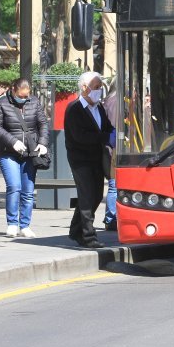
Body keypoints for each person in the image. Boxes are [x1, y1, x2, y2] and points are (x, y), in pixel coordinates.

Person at [0, 78, 49, 238]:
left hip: (30, 152)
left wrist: (43, 142)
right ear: (14, 90)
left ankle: (25, 225)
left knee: (28, 191)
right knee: (14, 187)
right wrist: (12, 141)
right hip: (9, 152)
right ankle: (12, 224)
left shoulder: (34, 102)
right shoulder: (1, 103)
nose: (24, 99)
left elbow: (43, 123)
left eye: (26, 96)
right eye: (21, 96)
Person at [65, 71, 114, 249]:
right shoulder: (74, 109)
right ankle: (88, 235)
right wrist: (104, 138)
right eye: (95, 88)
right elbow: (79, 136)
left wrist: (112, 134)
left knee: (95, 196)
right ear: (84, 88)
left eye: (100, 88)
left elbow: (107, 127)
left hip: (97, 158)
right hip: (80, 159)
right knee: (87, 196)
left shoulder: (99, 108)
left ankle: (75, 229)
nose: (98, 91)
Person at [102, 82, 119, 231]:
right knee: (114, 185)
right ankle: (111, 218)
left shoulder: (109, 100)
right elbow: (113, 128)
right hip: (113, 150)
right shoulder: (115, 102)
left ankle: (111, 218)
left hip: (110, 148)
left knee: (114, 185)